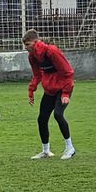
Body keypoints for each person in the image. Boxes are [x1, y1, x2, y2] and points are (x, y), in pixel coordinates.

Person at [23, 29, 76, 160]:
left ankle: (70, 148)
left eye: (27, 44)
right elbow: (37, 75)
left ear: (36, 42)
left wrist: (65, 93)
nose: (25, 47)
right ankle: (46, 151)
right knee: (42, 119)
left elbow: (68, 72)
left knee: (58, 114)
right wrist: (31, 90)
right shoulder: (32, 56)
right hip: (49, 90)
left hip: (63, 89)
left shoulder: (52, 51)